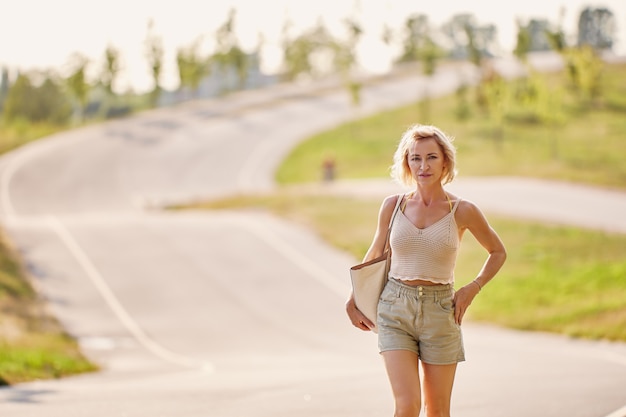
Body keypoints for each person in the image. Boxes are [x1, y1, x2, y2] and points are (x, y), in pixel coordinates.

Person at [346, 124, 507, 417]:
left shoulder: (463, 210)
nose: (423, 166)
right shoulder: (392, 205)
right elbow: (375, 253)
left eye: (431, 157)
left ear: (445, 160)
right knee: (407, 406)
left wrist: (473, 288)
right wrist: (352, 297)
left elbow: (498, 252)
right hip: (394, 308)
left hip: (440, 312)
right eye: (415, 158)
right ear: (407, 163)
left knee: (437, 411)